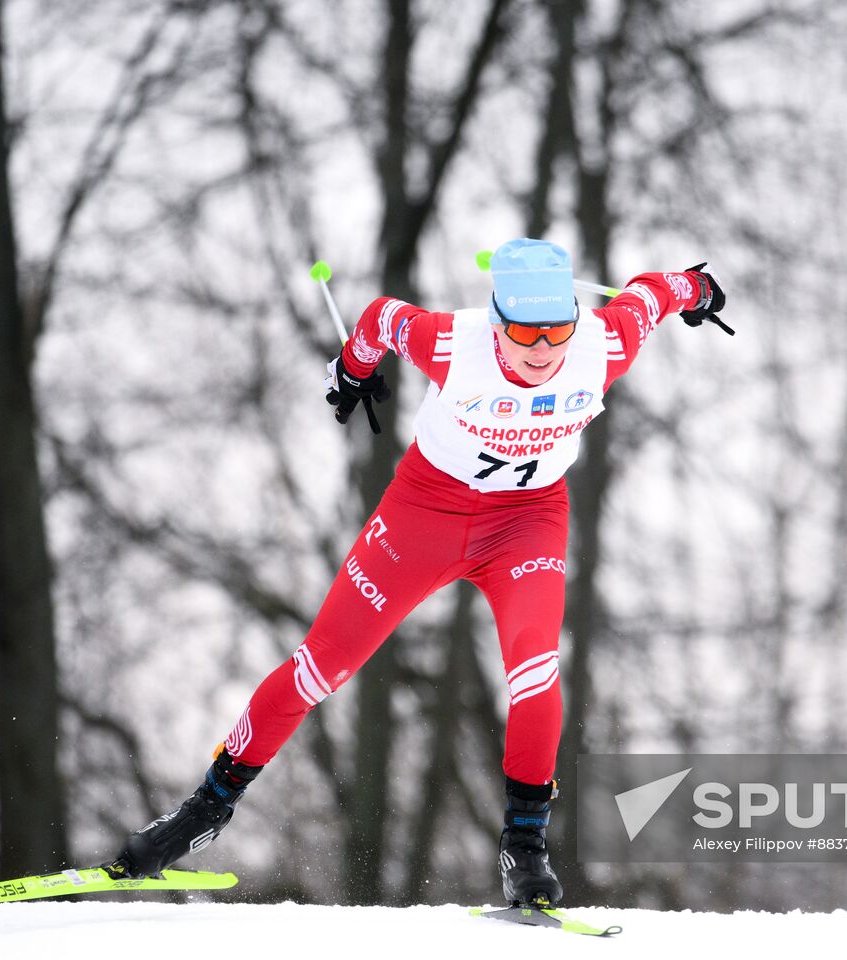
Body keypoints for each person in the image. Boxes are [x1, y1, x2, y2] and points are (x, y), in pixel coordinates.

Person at [108, 238, 730, 907]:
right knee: (321, 667)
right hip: (425, 516)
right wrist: (353, 367)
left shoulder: (603, 344)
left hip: (527, 523)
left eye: (556, 330)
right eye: (524, 331)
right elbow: (379, 317)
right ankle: (204, 811)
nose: (543, 349)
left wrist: (698, 289)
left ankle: (523, 847)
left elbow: (657, 292)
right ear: (497, 324)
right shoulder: (452, 345)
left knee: (535, 668)